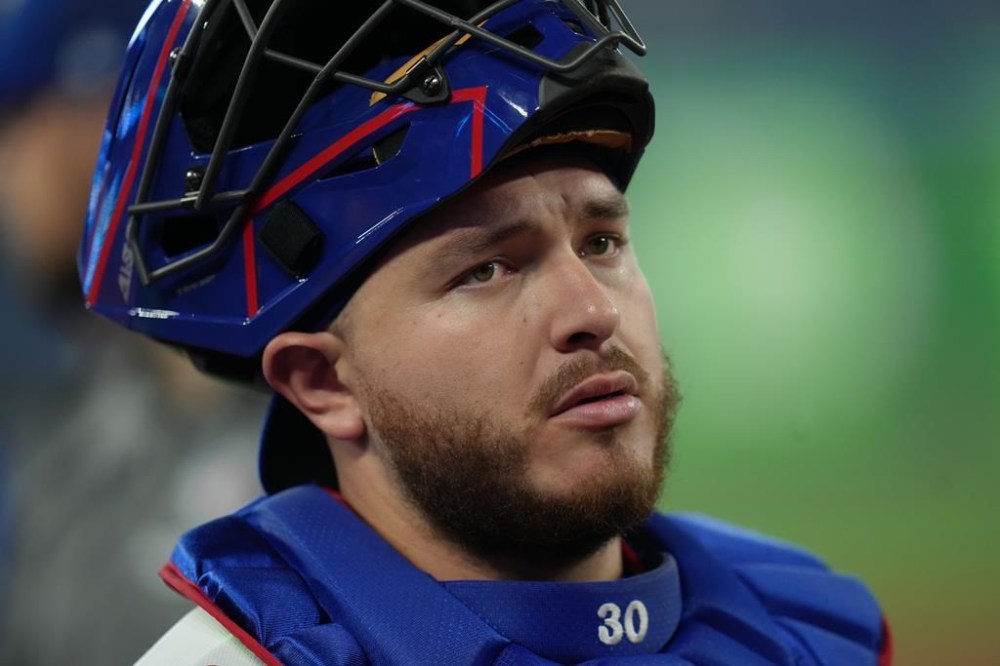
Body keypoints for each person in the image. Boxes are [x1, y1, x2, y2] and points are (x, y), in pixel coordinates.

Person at [78, 0, 892, 663]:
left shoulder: (818, 639)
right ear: (324, 384)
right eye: (487, 270)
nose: (593, 313)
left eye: (600, 243)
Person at [0, 0, 266, 662]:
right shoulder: (80, 419)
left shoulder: (311, 385)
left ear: (108, 115)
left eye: (14, 128)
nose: (7, 180)